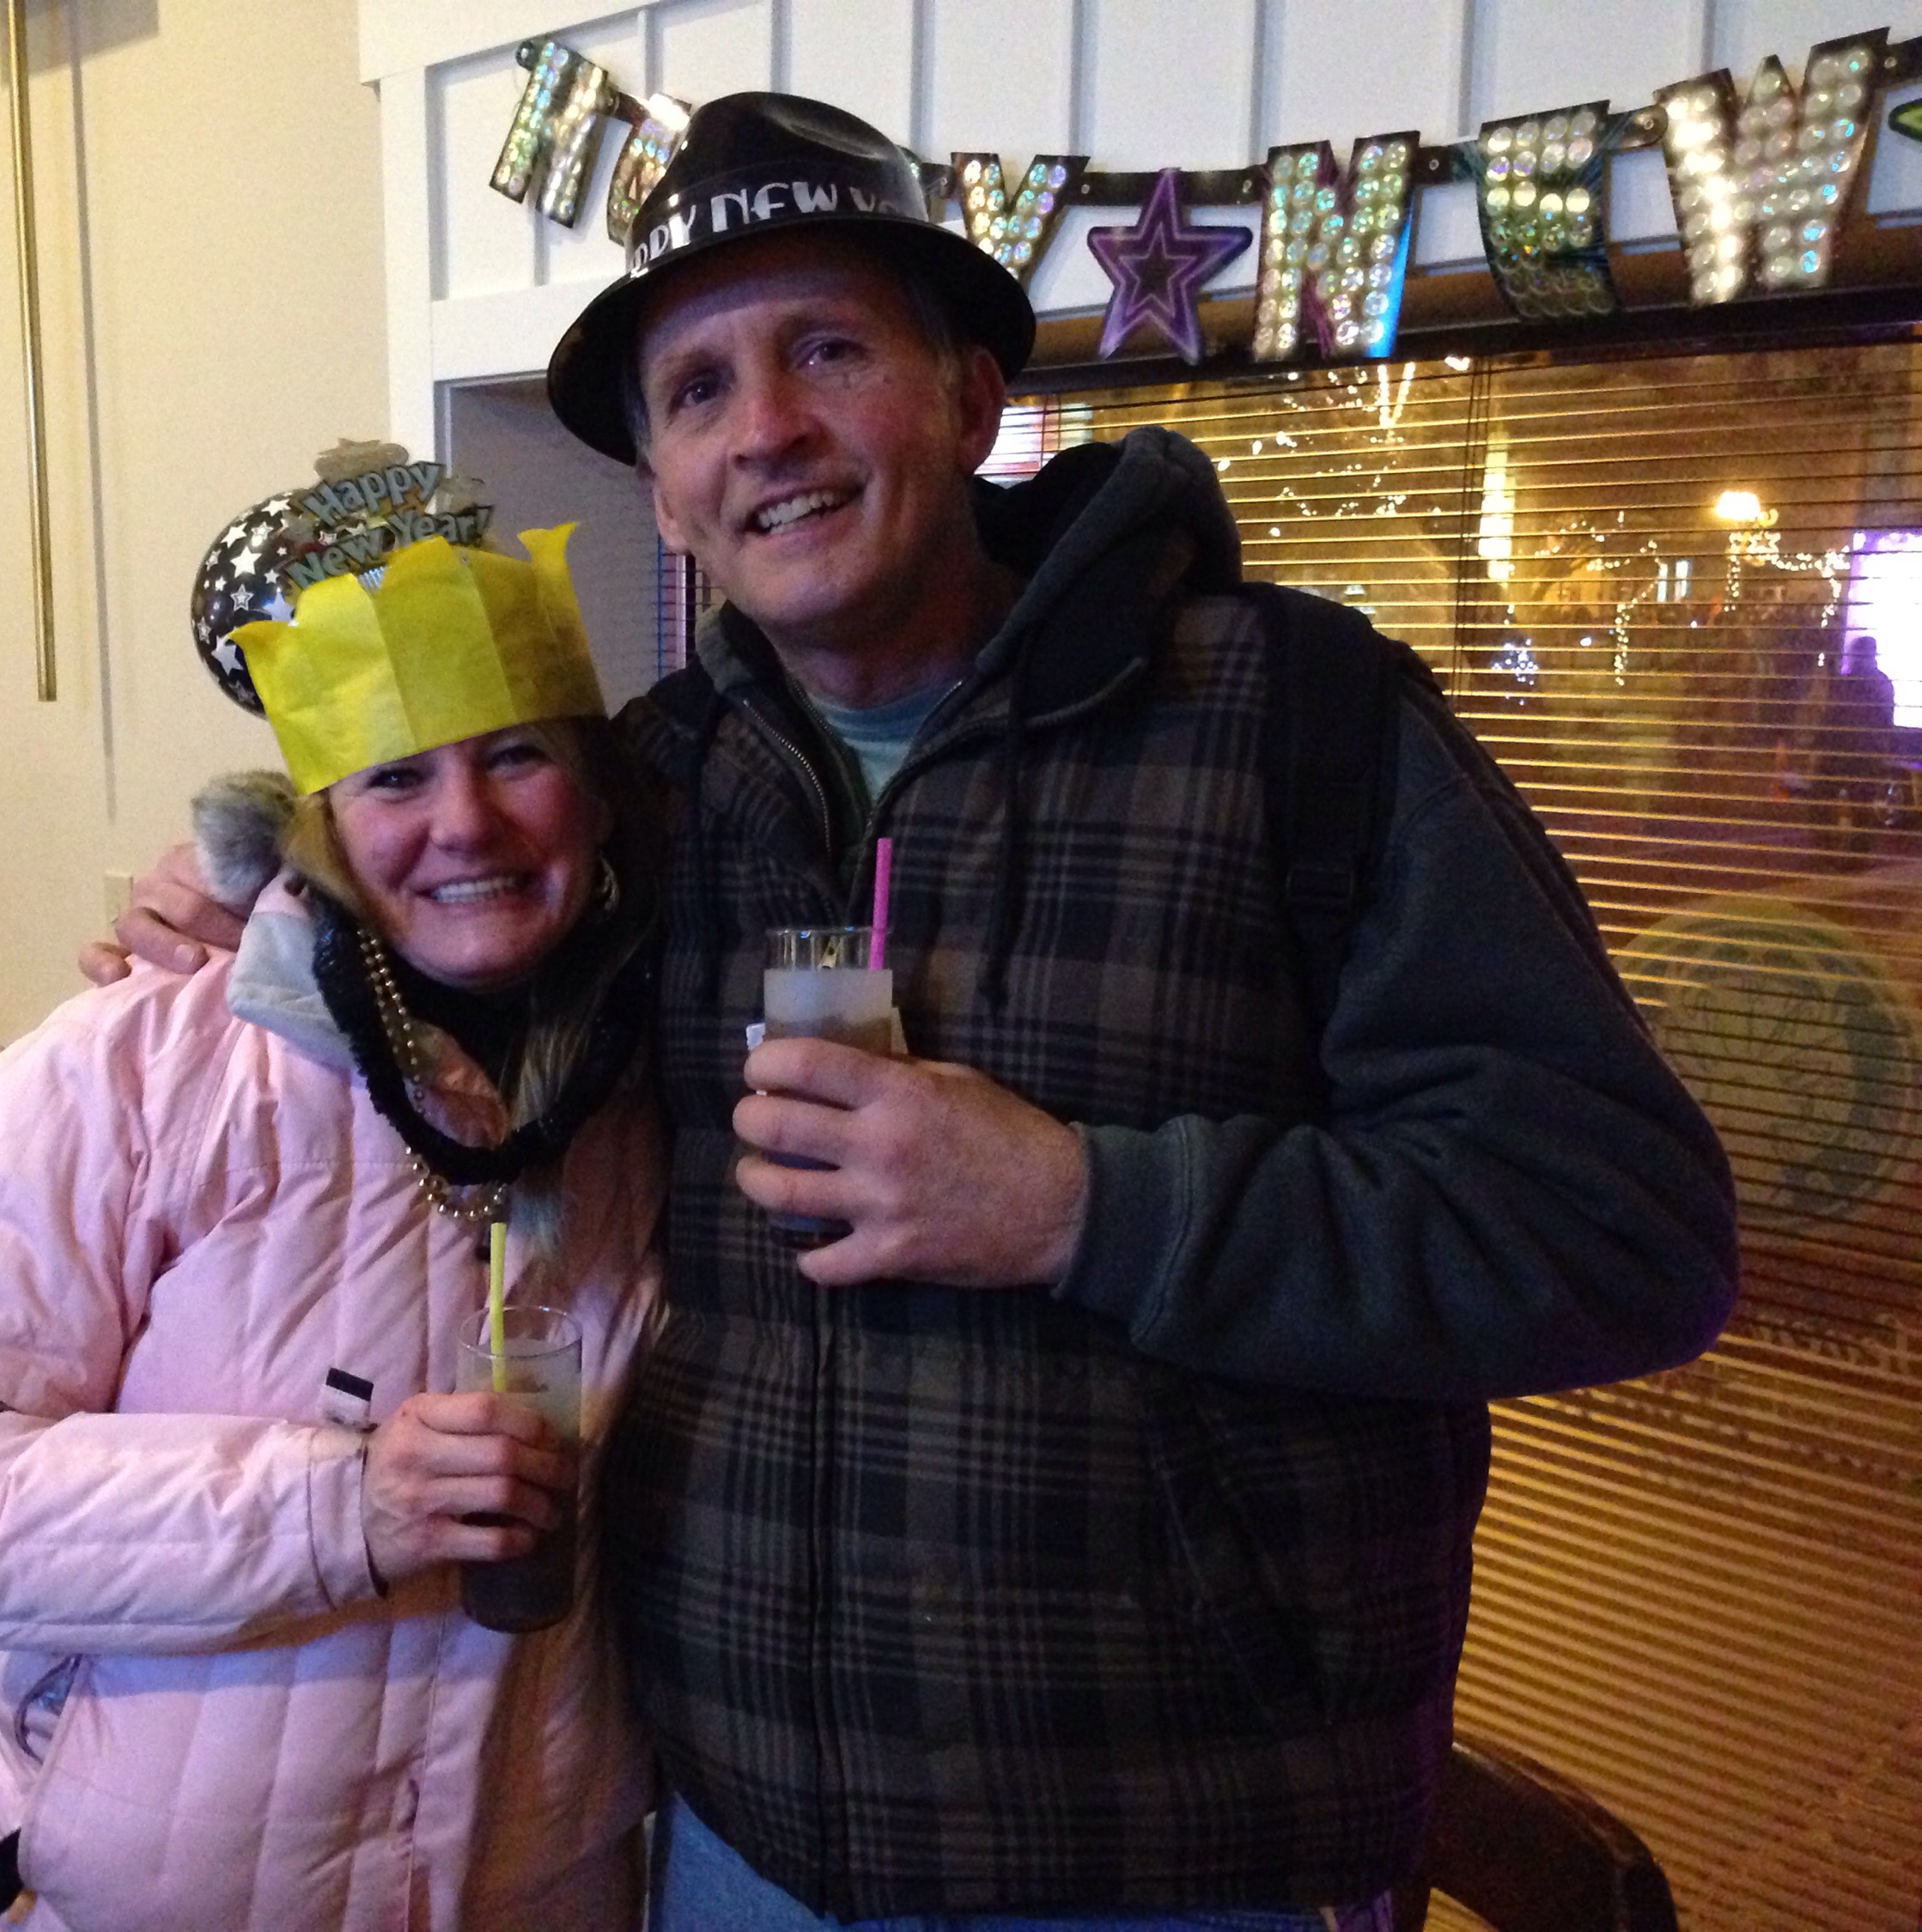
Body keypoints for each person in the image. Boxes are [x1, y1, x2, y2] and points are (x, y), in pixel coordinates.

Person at [93, 94, 1739, 1932]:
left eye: (826, 349)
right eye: (698, 388)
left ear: (967, 397)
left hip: (1185, 1863)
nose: (767, 427)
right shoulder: (655, 788)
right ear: (665, 490)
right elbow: (447, 998)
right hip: (736, 1845)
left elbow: (1623, 1236)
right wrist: (256, 921)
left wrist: (1081, 1205)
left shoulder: (1302, 722)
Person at [0, 527, 664, 1932]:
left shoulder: (642, 1083)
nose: (466, 824)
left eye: (516, 756)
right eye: (396, 773)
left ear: (600, 801)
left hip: (534, 1880)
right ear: (318, 824)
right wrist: (339, 1505)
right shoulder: (133, 1067)